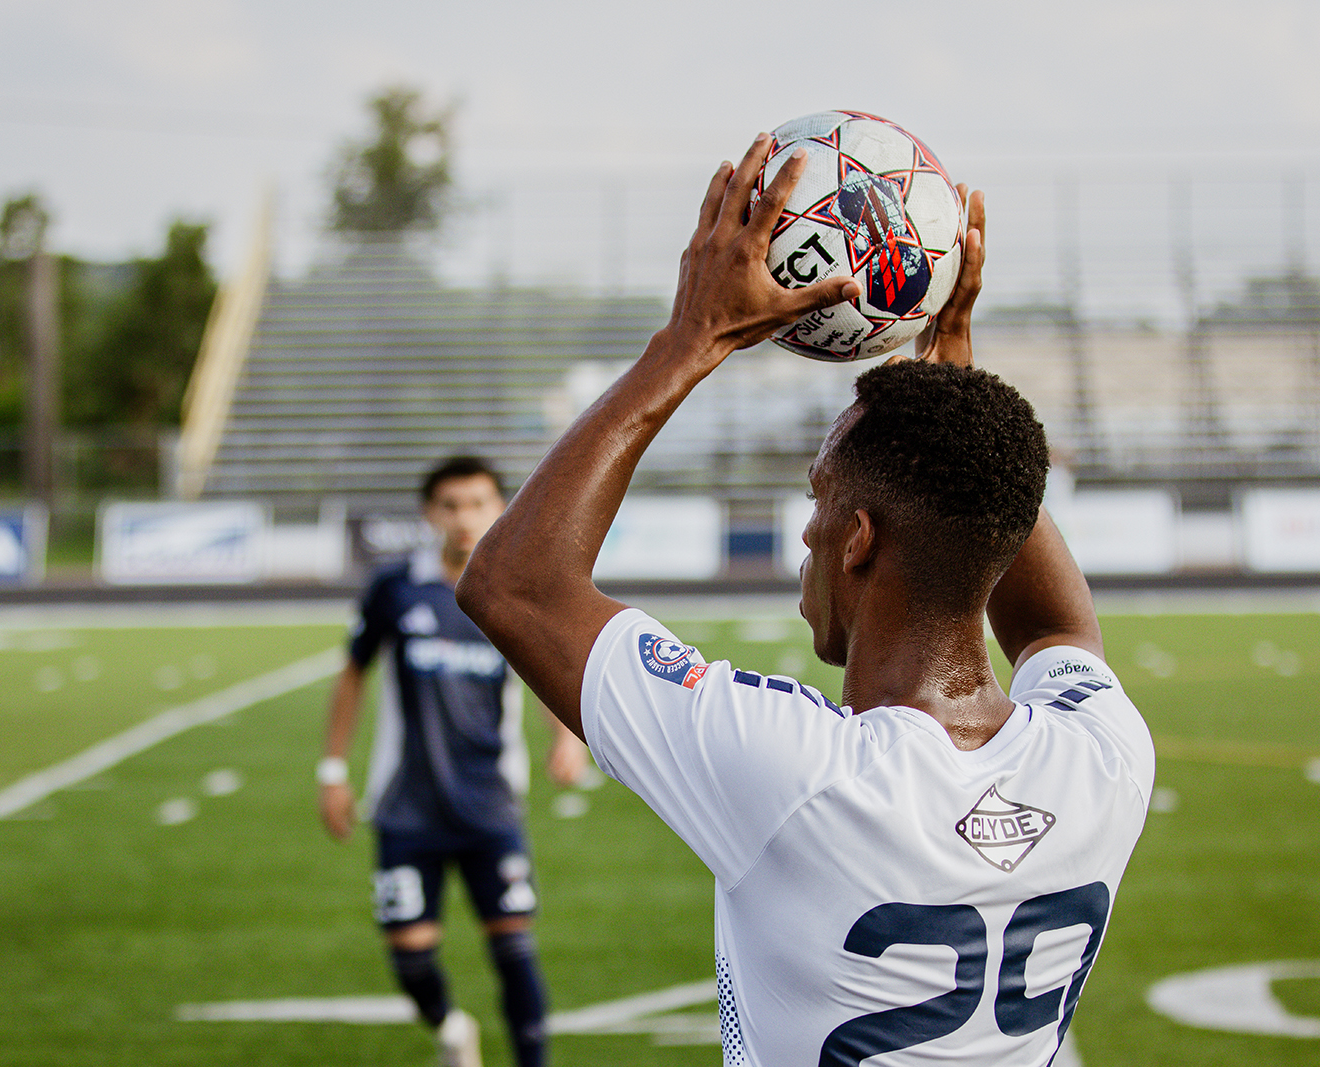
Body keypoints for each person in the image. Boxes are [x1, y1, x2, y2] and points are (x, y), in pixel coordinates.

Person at [455, 136, 1154, 1065]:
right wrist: (954, 407)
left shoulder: (804, 777)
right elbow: (1057, 623)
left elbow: (513, 582)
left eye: (818, 499)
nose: (805, 533)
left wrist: (690, 341)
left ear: (858, 537)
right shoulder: (1102, 754)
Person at [319, 455, 586, 1067]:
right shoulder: (396, 588)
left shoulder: (511, 590)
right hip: (405, 806)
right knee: (411, 957)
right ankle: (449, 1028)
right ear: (429, 513)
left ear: (500, 509)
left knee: (514, 948)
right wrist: (333, 770)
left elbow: (544, 666)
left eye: (478, 504)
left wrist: (565, 736)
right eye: (451, 505)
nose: (465, 518)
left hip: (490, 803)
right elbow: (353, 673)